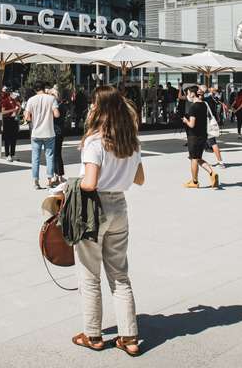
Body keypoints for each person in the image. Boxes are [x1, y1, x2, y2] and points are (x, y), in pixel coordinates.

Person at [71, 85, 144, 356]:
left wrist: (69, 188)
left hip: (95, 208)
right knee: (120, 275)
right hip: (119, 208)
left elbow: (89, 183)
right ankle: (130, 337)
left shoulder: (94, 142)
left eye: (92, 103)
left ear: (100, 108)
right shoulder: (131, 142)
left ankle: (93, 335)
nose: (90, 107)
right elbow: (140, 179)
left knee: (90, 274)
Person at [24, 81, 60, 189]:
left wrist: (34, 119)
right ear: (44, 88)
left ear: (35, 89)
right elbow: (57, 114)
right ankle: (49, 180)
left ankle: (36, 181)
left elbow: (27, 117)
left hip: (36, 133)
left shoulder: (31, 100)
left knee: (35, 158)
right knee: (49, 157)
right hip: (49, 132)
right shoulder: (51, 99)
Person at [181, 86, 218, 189]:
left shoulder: (193, 107)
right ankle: (212, 173)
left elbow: (192, 124)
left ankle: (194, 181)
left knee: (194, 159)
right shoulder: (203, 105)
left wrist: (185, 120)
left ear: (192, 94)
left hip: (194, 136)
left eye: (188, 93)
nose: (187, 95)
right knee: (198, 158)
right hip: (203, 135)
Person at [201, 86, 226, 169]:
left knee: (213, 143)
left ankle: (220, 162)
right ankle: (199, 160)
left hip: (206, 123)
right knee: (208, 143)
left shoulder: (207, 99)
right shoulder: (213, 99)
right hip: (210, 122)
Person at [0, 86, 20, 161]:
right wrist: (13, 110)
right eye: (13, 94)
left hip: (14, 120)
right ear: (10, 94)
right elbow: (3, 112)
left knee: (14, 138)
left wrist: (18, 109)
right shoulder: (5, 101)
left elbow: (17, 109)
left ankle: (13, 154)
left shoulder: (15, 101)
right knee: (7, 138)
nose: (15, 95)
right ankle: (7, 154)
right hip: (7, 120)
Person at [51, 86, 66, 183]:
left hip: (56, 132)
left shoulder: (58, 106)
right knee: (55, 154)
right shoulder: (60, 105)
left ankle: (58, 175)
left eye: (52, 95)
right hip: (58, 131)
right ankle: (58, 175)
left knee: (55, 154)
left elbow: (57, 117)